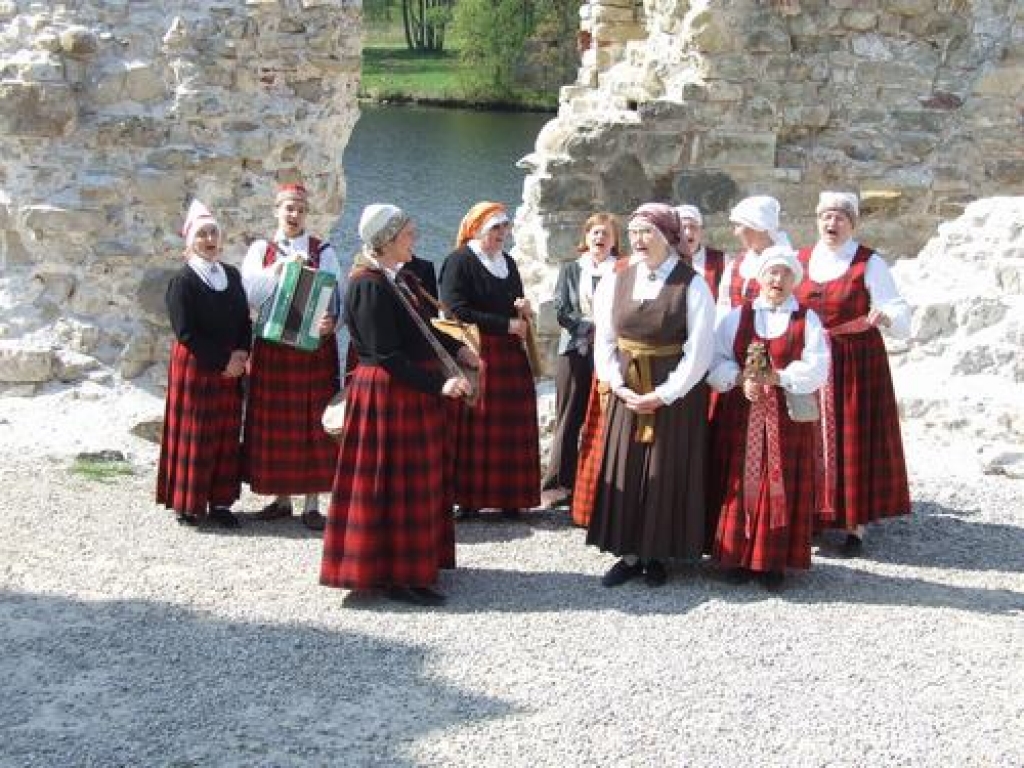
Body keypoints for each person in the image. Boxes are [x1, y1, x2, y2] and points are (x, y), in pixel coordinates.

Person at [320, 204, 474, 606]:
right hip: (389, 394)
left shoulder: (397, 278)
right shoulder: (368, 284)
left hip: (407, 394)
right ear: (386, 241)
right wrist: (438, 385)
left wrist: (458, 352)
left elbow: (423, 331)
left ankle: (415, 567)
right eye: (407, 233)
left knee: (414, 484)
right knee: (395, 485)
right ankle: (396, 574)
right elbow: (385, 354)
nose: (414, 238)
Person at [587, 203, 715, 587]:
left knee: (664, 467)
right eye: (634, 233)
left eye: (647, 233)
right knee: (626, 466)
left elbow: (700, 350)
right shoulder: (616, 278)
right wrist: (616, 382)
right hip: (628, 390)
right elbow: (604, 339)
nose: (638, 240)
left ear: (667, 237)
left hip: (673, 395)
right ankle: (628, 553)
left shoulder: (692, 284)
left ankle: (658, 552)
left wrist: (665, 394)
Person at [794, 191, 912, 556]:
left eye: (840, 218)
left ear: (853, 223)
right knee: (805, 435)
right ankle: (811, 513)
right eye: (826, 217)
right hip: (810, 358)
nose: (832, 224)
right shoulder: (800, 259)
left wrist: (887, 316)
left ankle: (853, 523)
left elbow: (898, 309)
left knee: (850, 436)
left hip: (854, 361)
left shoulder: (868, 262)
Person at [707, 246, 830, 589]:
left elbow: (818, 366)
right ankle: (735, 557)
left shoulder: (807, 320)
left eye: (785, 274)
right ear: (760, 278)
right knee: (738, 483)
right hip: (742, 416)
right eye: (772, 273)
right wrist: (739, 378)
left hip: (785, 419)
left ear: (795, 280)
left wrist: (780, 378)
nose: (778, 280)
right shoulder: (736, 316)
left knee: (781, 484)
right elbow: (716, 359)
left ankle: (773, 561)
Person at [241, 182, 341, 531]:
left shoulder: (323, 250)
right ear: (277, 211)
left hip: (313, 349)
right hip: (273, 348)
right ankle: (280, 498)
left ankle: (313, 502)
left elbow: (336, 296)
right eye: (289, 208)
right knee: (275, 421)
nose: (294, 215)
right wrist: (279, 270)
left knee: (314, 422)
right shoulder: (261, 250)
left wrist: (331, 322)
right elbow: (249, 293)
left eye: (300, 209)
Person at [439, 201, 541, 519]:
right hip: (478, 352)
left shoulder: (508, 262)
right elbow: (454, 308)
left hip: (510, 355)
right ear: (478, 229)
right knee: (475, 426)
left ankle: (511, 497)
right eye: (495, 227)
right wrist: (505, 324)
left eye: (505, 227)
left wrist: (523, 309)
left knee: (513, 425)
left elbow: (512, 307)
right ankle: (468, 499)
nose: (502, 233)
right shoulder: (460, 261)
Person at [156, 201, 251, 528]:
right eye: (202, 234)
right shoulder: (182, 281)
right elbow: (185, 332)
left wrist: (241, 354)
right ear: (190, 241)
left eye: (213, 233)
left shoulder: (232, 274)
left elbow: (244, 320)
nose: (210, 239)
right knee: (195, 432)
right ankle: (189, 502)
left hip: (230, 369)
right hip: (196, 366)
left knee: (225, 433)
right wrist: (224, 360)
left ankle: (221, 501)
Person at [541, 213, 621, 507]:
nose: (600, 238)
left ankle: (600, 483)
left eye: (606, 234)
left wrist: (606, 331)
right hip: (574, 349)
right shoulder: (572, 269)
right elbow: (561, 309)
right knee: (569, 414)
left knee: (606, 415)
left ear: (614, 241)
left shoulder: (623, 270)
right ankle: (559, 484)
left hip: (613, 351)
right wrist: (588, 329)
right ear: (585, 237)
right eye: (595, 233)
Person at [717, 195, 790, 312]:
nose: (735, 232)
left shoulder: (789, 265)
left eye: (739, 225)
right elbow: (723, 307)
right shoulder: (735, 265)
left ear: (757, 226)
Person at [676, 204, 729, 303]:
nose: (688, 233)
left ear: (700, 231)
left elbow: (726, 300)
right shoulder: (667, 259)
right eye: (683, 228)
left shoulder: (720, 260)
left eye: (693, 227)